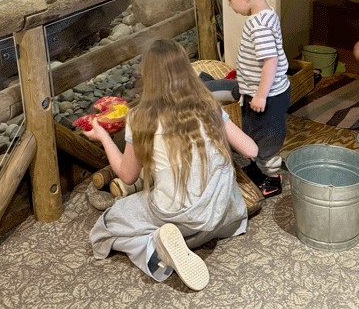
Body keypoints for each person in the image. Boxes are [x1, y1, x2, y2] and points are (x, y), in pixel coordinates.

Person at [84, 39, 258, 291]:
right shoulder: (208, 103)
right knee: (201, 217)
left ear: (148, 76)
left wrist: (104, 138)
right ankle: (189, 239)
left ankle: (153, 249)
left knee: (108, 224)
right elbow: (251, 150)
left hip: (177, 211)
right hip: (220, 210)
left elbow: (127, 175)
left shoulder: (140, 117)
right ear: (186, 69)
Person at [218, 0, 290, 198]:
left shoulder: (258, 25)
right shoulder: (267, 15)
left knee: (266, 138)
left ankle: (271, 178)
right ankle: (258, 166)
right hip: (262, 91)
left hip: (266, 96)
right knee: (254, 131)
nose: (230, 5)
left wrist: (260, 95)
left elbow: (270, 61)